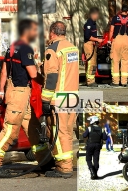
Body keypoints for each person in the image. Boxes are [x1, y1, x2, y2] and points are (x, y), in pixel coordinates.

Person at [0, 19, 51, 176]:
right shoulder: (25, 48)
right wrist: (47, 82)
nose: (36, 33)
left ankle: (45, 160)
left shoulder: (11, 47)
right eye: (34, 30)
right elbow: (33, 74)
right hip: (20, 92)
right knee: (11, 129)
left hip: (14, 91)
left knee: (32, 125)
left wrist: (1, 91)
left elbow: (4, 72)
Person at [41, 21, 79, 178]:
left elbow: (51, 77)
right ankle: (67, 163)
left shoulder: (53, 49)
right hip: (73, 96)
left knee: (59, 131)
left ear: (52, 33)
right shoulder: (73, 48)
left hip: (59, 97)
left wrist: (45, 100)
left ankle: (64, 167)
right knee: (68, 132)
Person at [108, 4, 128, 87]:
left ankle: (115, 82)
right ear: (127, 11)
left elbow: (111, 30)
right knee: (125, 61)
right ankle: (124, 82)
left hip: (117, 40)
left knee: (115, 60)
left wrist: (109, 40)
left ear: (121, 10)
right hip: (126, 40)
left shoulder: (115, 18)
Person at [83, 7, 103, 87]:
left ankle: (89, 80)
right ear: (93, 14)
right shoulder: (88, 24)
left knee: (91, 63)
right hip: (89, 44)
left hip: (92, 44)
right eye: (97, 14)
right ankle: (90, 81)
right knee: (91, 63)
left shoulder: (93, 23)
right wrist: (97, 40)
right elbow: (87, 36)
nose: (97, 16)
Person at [83, 116, 107, 180]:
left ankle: (92, 172)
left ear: (92, 121)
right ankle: (95, 174)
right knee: (96, 160)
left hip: (90, 145)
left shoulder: (89, 128)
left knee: (88, 159)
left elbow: (84, 135)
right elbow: (105, 138)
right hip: (98, 145)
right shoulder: (101, 129)